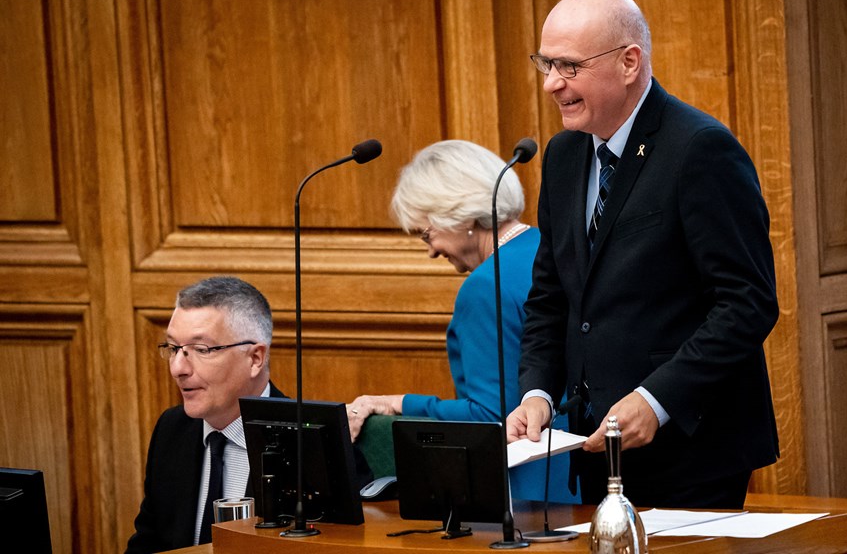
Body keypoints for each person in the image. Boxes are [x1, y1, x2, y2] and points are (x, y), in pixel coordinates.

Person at [505, 0, 780, 509]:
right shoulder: (563, 157)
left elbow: (747, 302)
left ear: (629, 62)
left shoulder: (699, 149)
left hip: (692, 452)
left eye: (568, 66)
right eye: (545, 63)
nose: (550, 84)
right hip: (595, 450)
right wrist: (537, 391)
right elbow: (551, 297)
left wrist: (657, 401)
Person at [346, 140, 577, 504]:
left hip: (532, 492)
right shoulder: (552, 248)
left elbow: (489, 415)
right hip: (586, 473)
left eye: (427, 234)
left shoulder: (486, 285)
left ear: (463, 215)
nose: (431, 251)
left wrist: (399, 402)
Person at [126, 276, 372, 552]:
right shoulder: (173, 429)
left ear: (255, 358)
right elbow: (148, 543)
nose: (178, 368)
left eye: (201, 349)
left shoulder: (315, 442)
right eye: (174, 349)